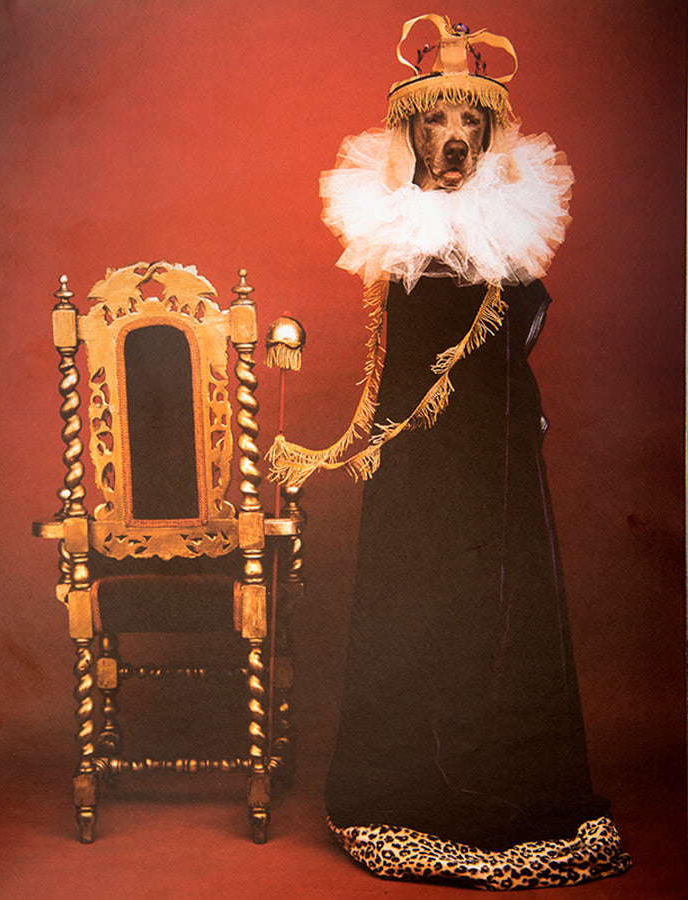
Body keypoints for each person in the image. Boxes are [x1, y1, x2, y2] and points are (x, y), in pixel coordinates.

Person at [268, 14, 632, 889]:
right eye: (435, 121)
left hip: (491, 442)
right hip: (412, 450)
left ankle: (504, 774)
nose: (453, 136)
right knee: (414, 598)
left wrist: (512, 418)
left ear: (487, 132)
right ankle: (405, 791)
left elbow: (518, 332)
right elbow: (391, 354)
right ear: (412, 133)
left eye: (468, 120)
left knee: (494, 597)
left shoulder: (510, 223)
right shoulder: (392, 225)